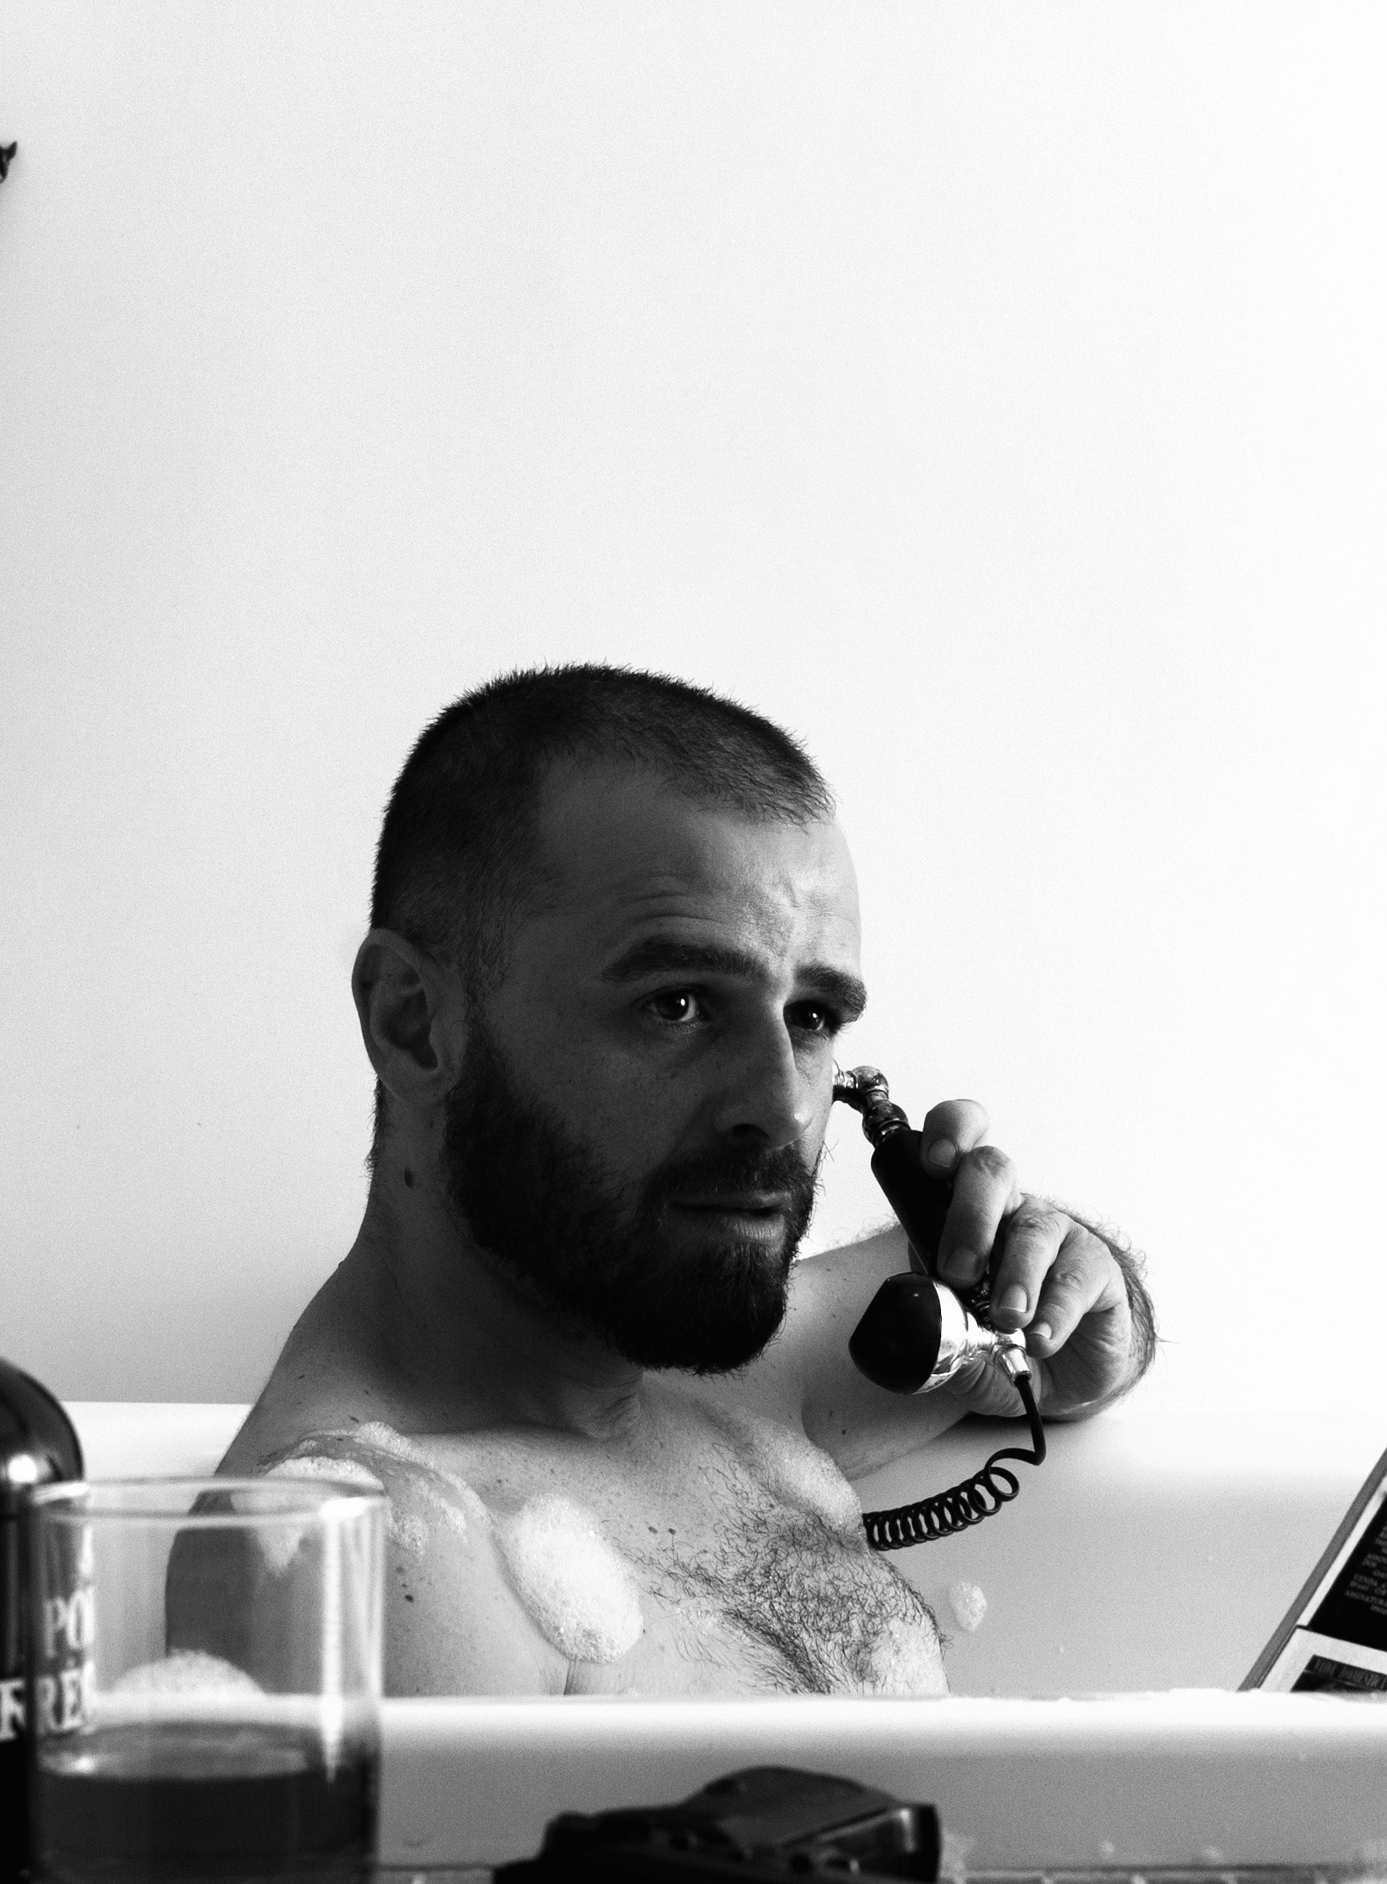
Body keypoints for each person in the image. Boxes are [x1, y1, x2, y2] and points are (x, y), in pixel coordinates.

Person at [220, 666, 1154, 1695]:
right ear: (414, 1024)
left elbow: (1053, 1314)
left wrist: (1064, 1314)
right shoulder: (377, 1551)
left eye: (811, 1018)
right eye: (676, 1004)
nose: (785, 1107)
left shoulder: (703, 1376)